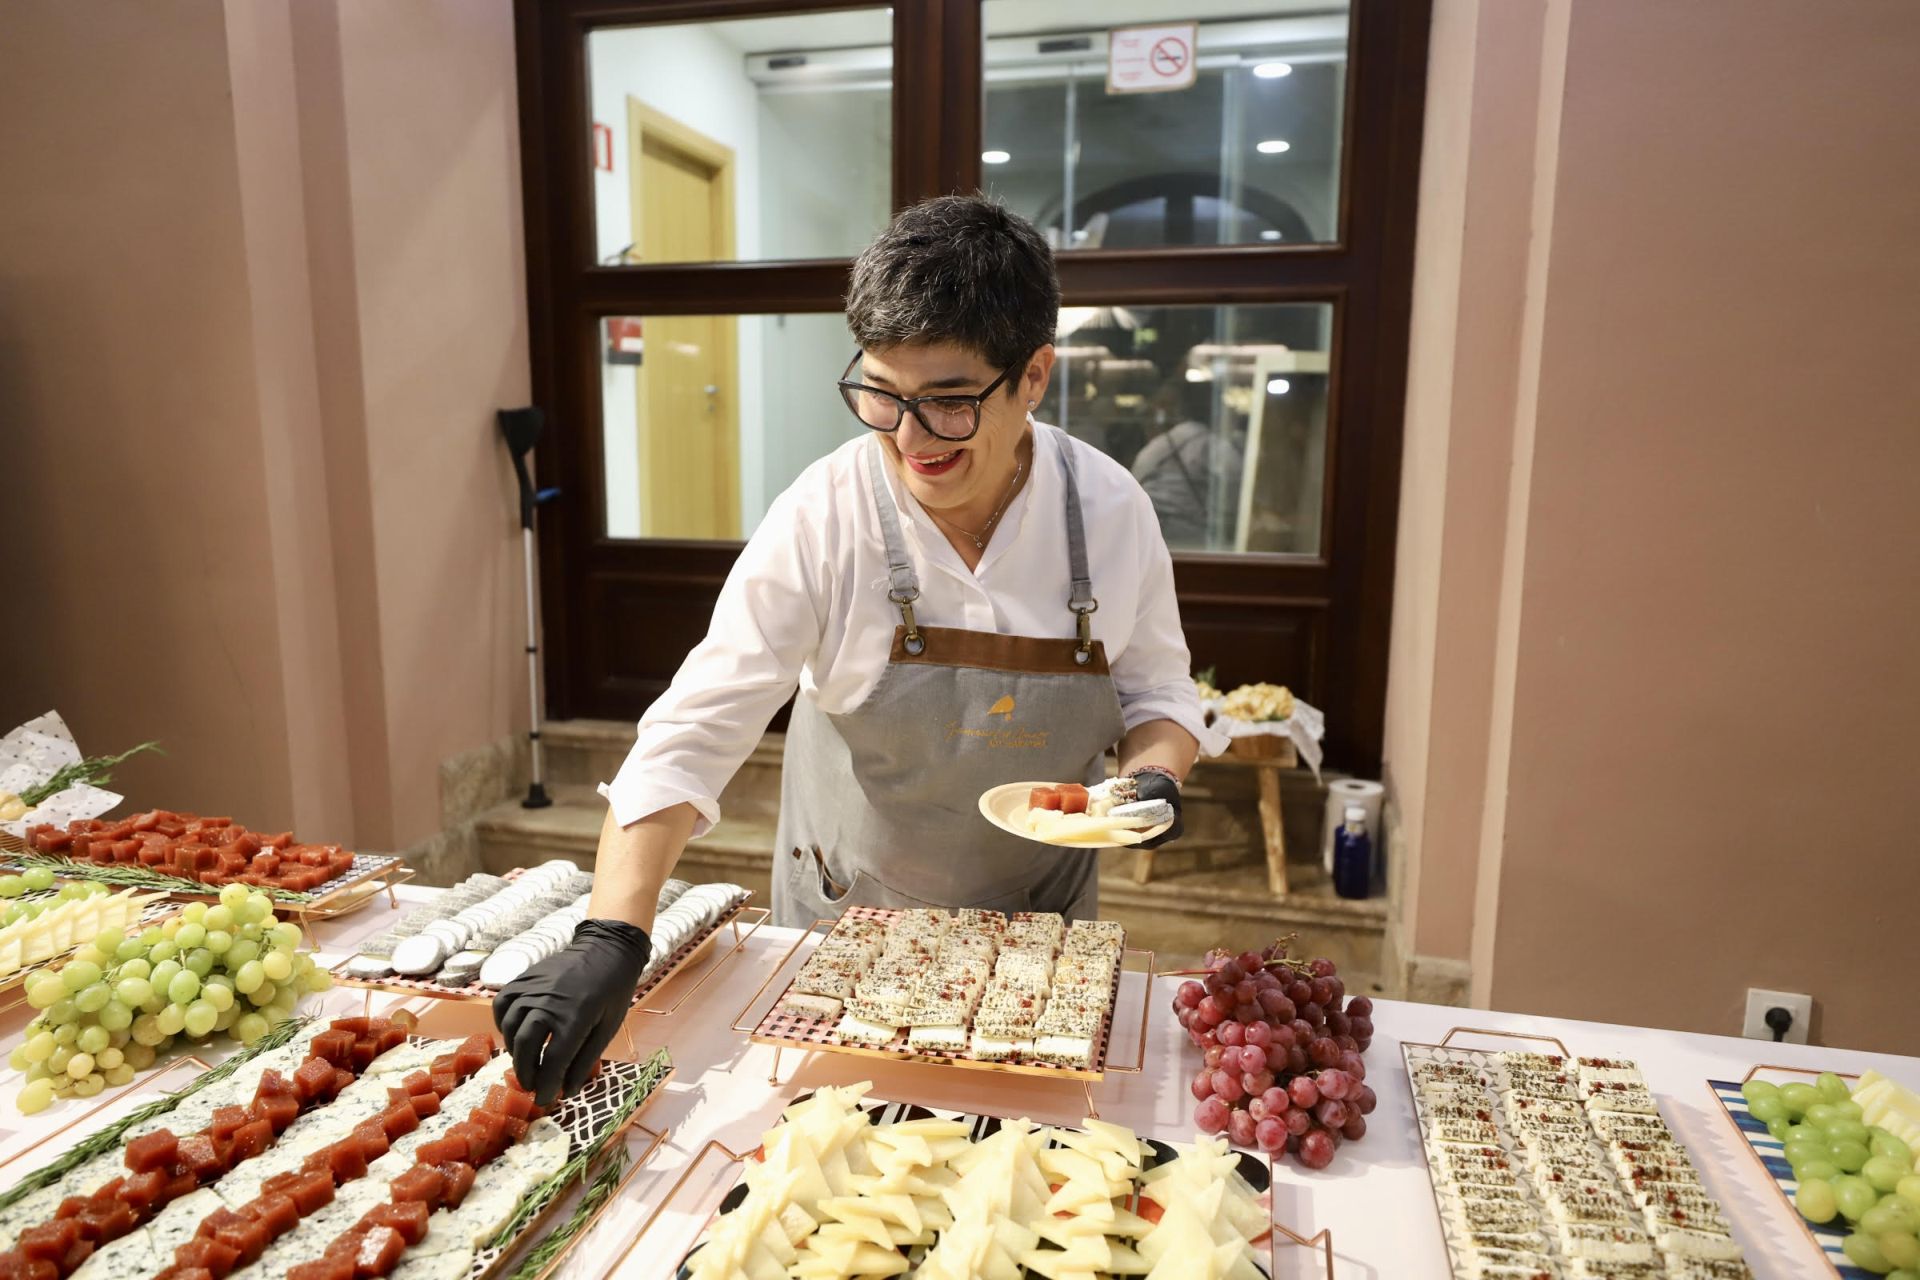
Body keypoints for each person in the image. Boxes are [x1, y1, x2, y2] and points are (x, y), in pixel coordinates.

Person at [492, 195, 1226, 1103]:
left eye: (949, 403)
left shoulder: (1110, 512)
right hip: (844, 930)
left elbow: (1159, 696)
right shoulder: (825, 513)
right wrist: (612, 936)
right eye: (881, 393)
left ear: (1034, 376)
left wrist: (1154, 779)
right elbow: (696, 728)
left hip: (1041, 940)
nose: (908, 438)